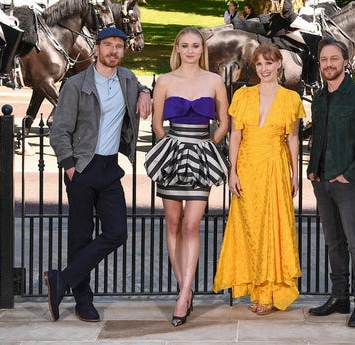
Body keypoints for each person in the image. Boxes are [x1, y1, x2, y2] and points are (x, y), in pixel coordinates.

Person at [45, 27, 152, 322]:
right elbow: (59, 130)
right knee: (81, 236)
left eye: (119, 46)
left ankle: (62, 280)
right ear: (96, 49)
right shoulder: (76, 84)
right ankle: (83, 300)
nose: (113, 51)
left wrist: (145, 92)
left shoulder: (127, 79)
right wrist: (69, 165)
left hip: (109, 169)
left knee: (117, 232)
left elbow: (142, 85)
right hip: (82, 167)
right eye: (108, 45)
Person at [144, 27, 229, 326]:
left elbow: (224, 123)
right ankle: (186, 289)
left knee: (192, 226)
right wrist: (174, 148)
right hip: (172, 156)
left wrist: (206, 147)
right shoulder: (165, 81)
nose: (190, 50)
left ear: (202, 49)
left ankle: (182, 296)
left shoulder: (215, 80)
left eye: (195, 45)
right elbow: (157, 125)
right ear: (177, 49)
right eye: (185, 45)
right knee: (173, 224)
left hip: (201, 158)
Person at [213, 43, 305, 315]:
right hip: (247, 167)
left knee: (273, 227)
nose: (264, 69)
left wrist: (295, 174)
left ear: (279, 64)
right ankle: (254, 287)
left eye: (269, 63)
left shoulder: (291, 99)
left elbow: (293, 139)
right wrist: (232, 171)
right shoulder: (243, 95)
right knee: (250, 228)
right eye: (259, 64)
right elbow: (235, 136)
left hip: (275, 167)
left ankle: (268, 293)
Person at [307, 38, 355, 328]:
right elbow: (318, 138)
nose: (328, 64)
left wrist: (350, 175)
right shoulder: (320, 98)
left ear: (346, 62)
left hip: (349, 183)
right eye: (324, 59)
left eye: (334, 59)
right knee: (333, 242)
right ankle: (340, 296)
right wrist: (313, 170)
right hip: (322, 181)